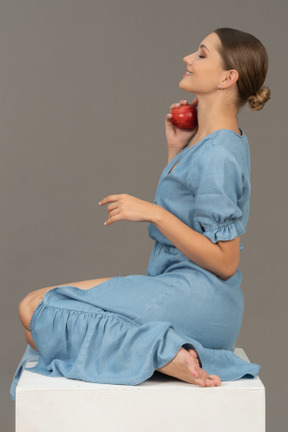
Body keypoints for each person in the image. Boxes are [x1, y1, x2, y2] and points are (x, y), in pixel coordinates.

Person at [13, 27, 270, 393]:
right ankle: (166, 357)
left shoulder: (219, 154)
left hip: (200, 297)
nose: (188, 59)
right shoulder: (213, 141)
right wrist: (177, 151)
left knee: (34, 310)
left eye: (201, 54)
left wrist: (153, 212)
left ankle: (164, 352)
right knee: (36, 325)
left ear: (228, 77)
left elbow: (227, 262)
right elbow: (191, 211)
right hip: (178, 285)